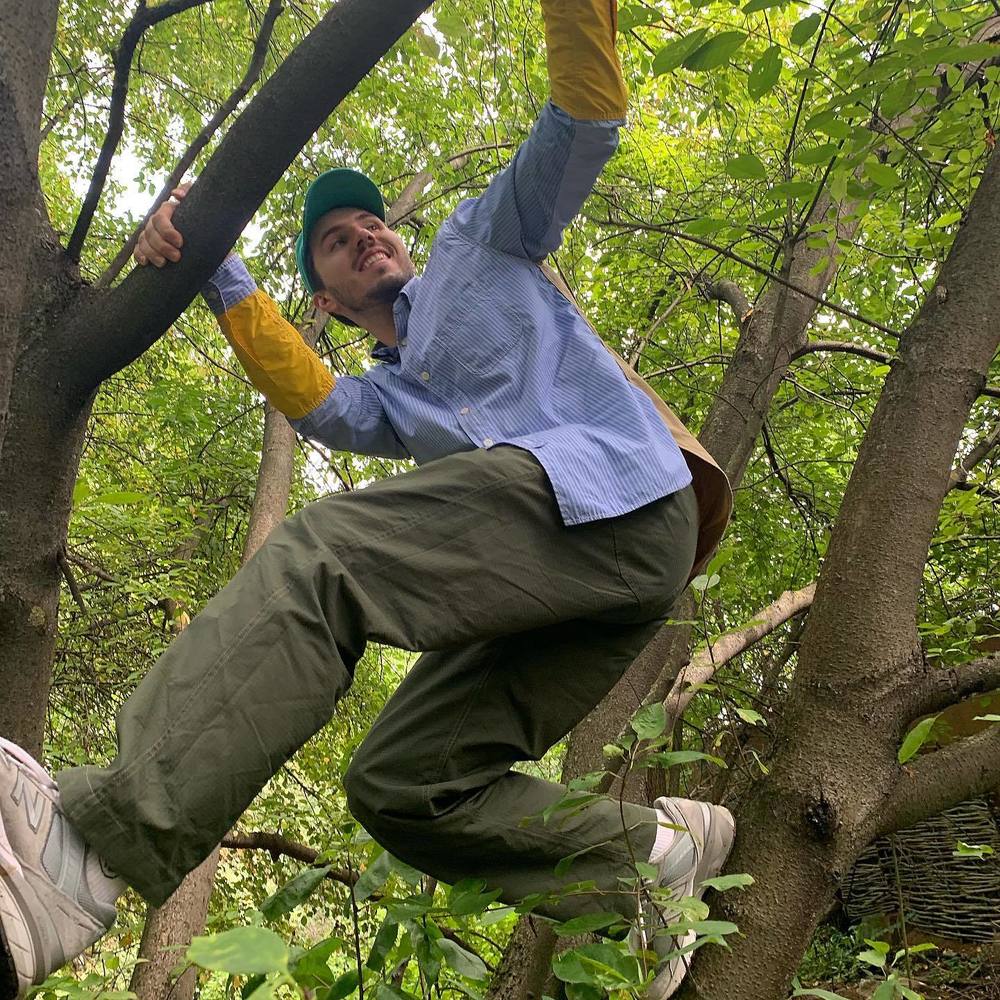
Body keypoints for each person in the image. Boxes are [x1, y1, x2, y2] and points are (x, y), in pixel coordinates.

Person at [0, 2, 737, 998]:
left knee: (327, 555)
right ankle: (650, 857)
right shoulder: (391, 402)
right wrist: (205, 247)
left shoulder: (480, 242)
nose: (365, 238)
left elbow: (583, 125)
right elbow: (318, 402)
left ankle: (87, 856)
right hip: (573, 589)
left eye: (372, 225)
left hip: (626, 503)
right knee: (401, 785)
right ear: (329, 301)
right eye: (338, 243)